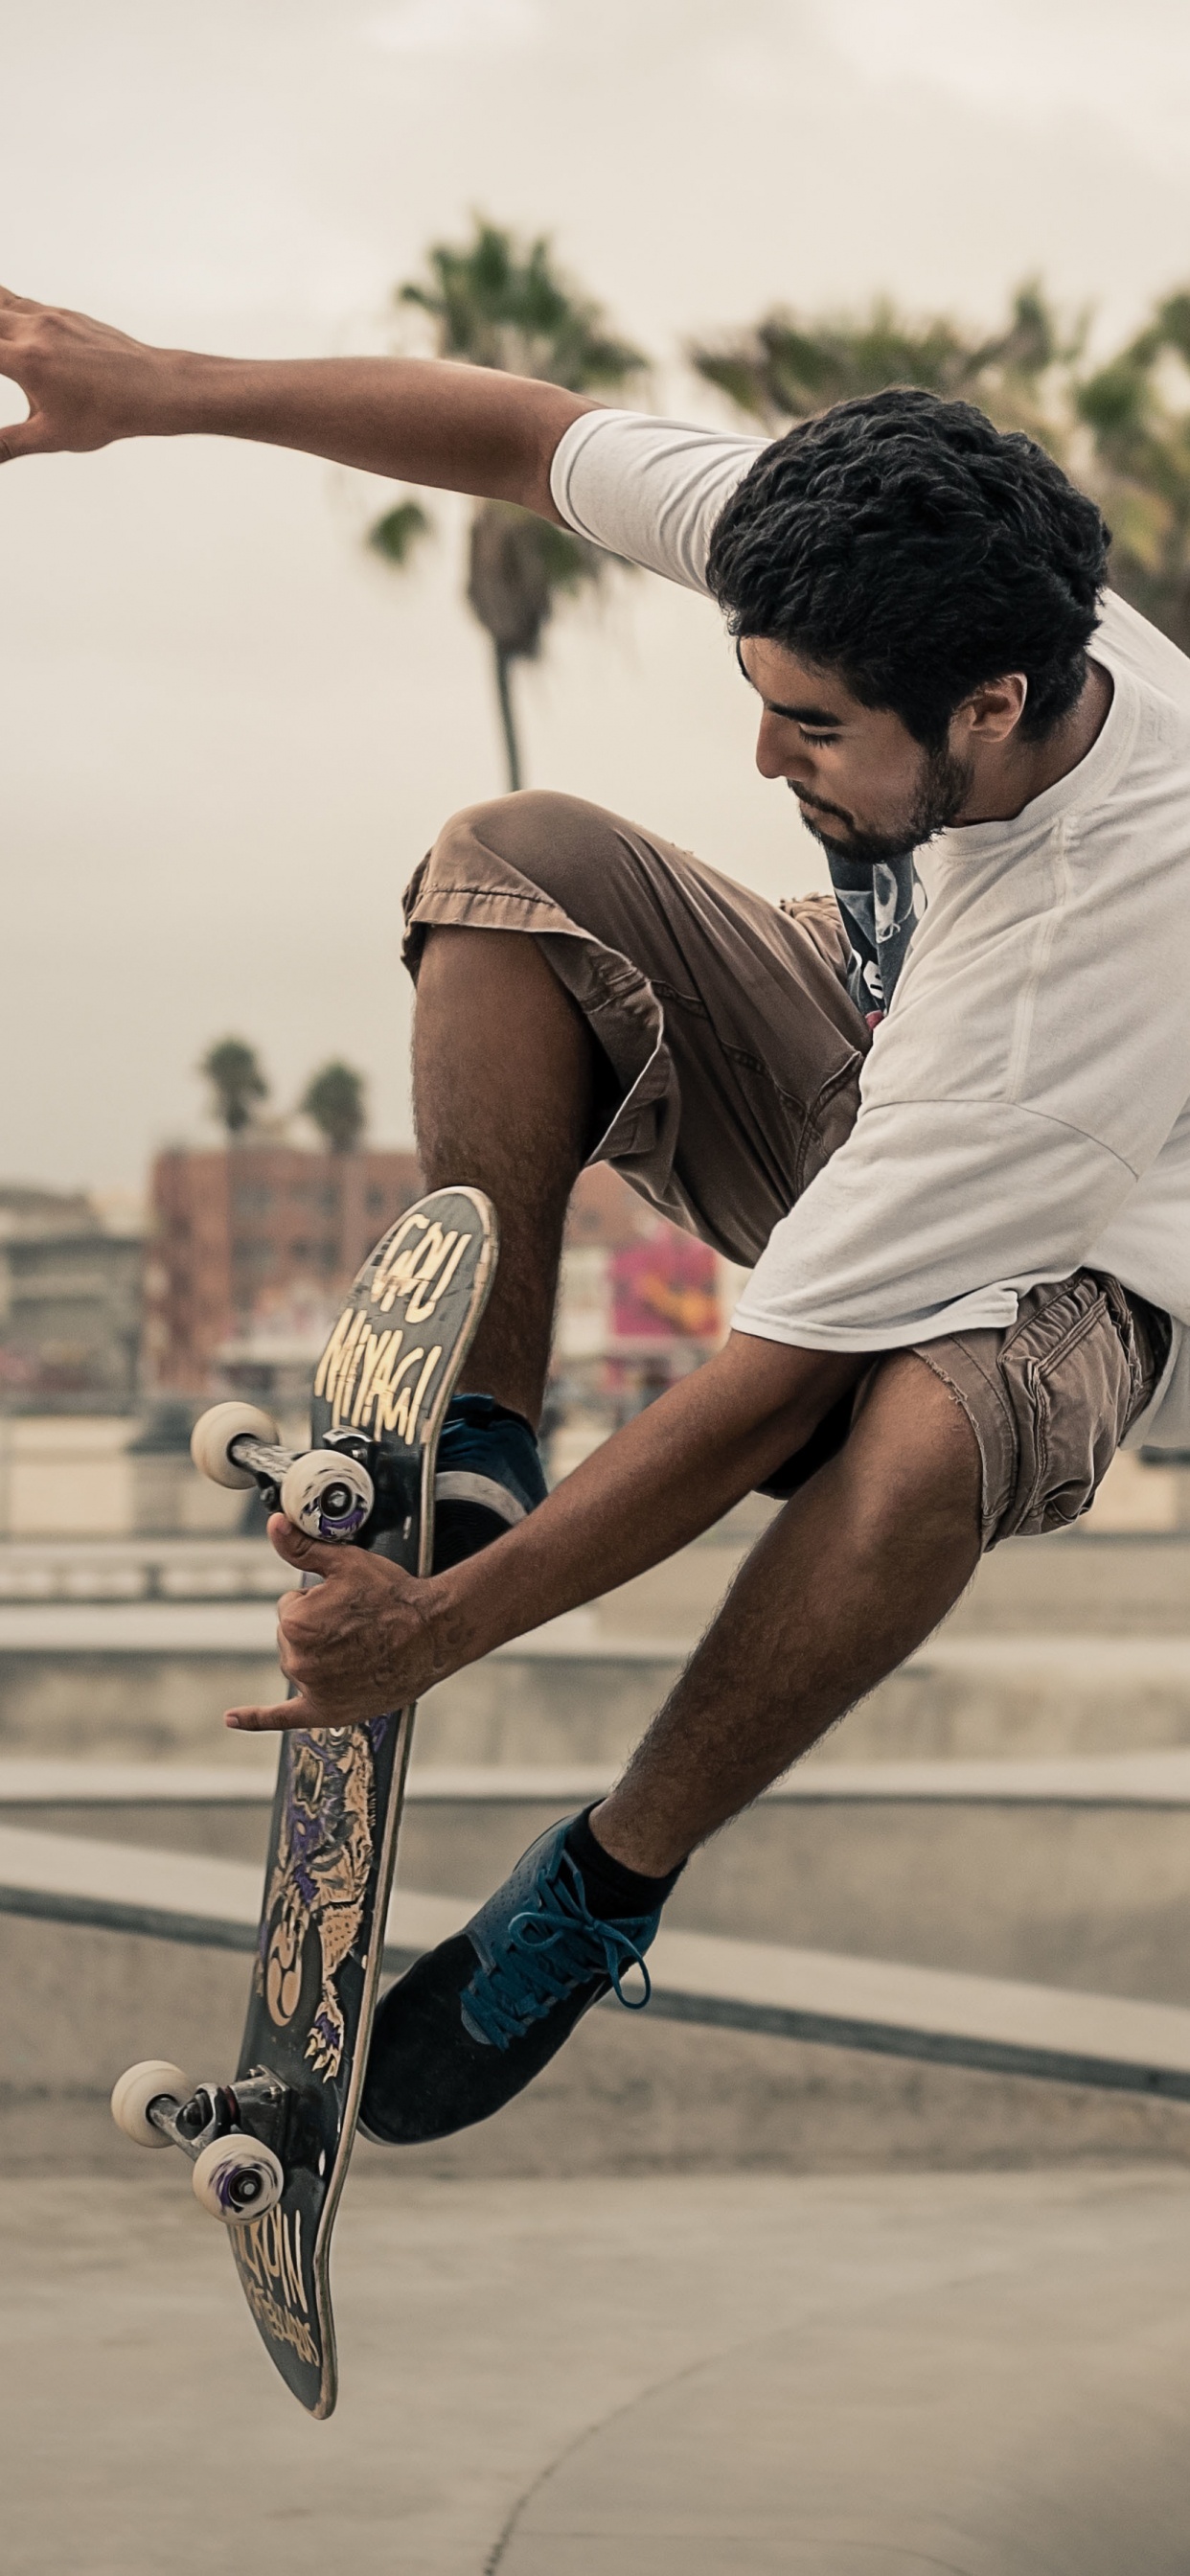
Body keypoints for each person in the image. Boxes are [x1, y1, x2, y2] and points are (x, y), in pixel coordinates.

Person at [4, 288, 1188, 2146]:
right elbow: (519, 434)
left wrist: (444, 1632)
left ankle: (603, 1882)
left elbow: (770, 1391)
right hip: (865, 1045)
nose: (764, 761)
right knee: (513, 864)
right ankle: (481, 1431)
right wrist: (158, 392)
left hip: (1076, 1264)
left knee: (918, 1426)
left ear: (994, 708)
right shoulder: (899, 557)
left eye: (811, 729)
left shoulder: (1081, 973)